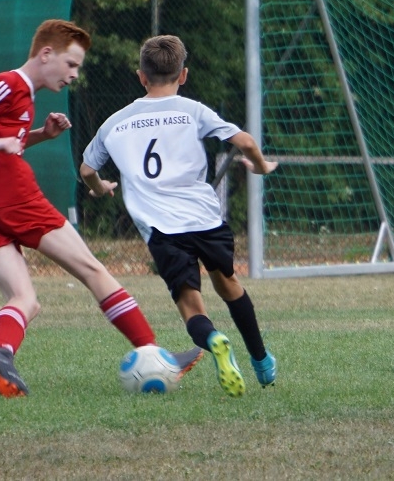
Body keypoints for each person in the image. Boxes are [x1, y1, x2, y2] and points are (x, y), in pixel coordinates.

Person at [0, 20, 202, 398]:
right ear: (46, 54)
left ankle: (1, 354)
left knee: (25, 300)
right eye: (71, 64)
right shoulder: (9, 84)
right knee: (93, 270)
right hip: (9, 195)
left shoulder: (23, 96)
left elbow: (1, 138)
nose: (74, 74)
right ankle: (153, 352)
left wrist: (42, 135)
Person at [79, 35, 278, 397]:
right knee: (229, 284)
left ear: (141, 77)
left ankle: (214, 338)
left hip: (163, 230)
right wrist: (261, 167)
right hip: (206, 220)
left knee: (190, 304)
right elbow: (246, 142)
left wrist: (99, 187)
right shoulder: (192, 111)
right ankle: (262, 362)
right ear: (183, 75)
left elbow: (87, 168)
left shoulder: (114, 123)